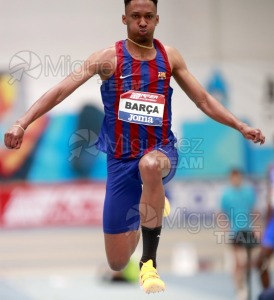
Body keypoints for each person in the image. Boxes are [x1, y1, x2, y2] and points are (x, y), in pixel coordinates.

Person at [4, 0, 265, 294]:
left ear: (157, 19)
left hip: (161, 153)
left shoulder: (170, 57)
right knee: (116, 261)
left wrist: (239, 125)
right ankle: (151, 204)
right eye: (136, 16)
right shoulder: (107, 59)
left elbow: (203, 100)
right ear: (124, 18)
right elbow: (60, 90)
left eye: (148, 17)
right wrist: (22, 122)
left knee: (149, 166)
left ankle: (148, 264)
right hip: (120, 163)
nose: (143, 22)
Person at [220, 169, 258, 300]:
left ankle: (246, 284)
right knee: (237, 262)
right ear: (231, 179)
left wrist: (258, 229)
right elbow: (222, 214)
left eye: (238, 178)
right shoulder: (226, 195)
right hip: (235, 231)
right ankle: (239, 288)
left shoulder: (248, 192)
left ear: (241, 178)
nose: (236, 180)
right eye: (233, 178)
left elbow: (254, 211)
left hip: (248, 230)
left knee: (248, 261)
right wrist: (225, 229)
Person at [257, 164, 274, 290]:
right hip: (272, 224)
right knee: (261, 262)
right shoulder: (271, 169)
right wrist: (265, 226)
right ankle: (267, 294)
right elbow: (270, 200)